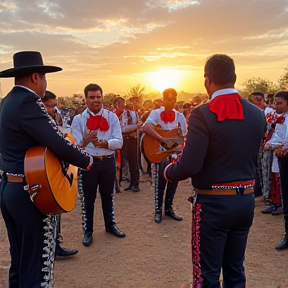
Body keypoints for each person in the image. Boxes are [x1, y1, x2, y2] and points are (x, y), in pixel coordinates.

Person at [164, 54, 266, 287]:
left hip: (213, 205)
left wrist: (169, 171)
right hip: (245, 200)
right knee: (235, 270)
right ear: (235, 78)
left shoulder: (202, 113)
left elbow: (190, 165)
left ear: (207, 80)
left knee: (207, 275)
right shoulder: (257, 114)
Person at [0, 51, 92, 288]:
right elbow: (56, 141)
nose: (45, 84)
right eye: (44, 79)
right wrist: (85, 159)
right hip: (31, 192)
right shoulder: (28, 102)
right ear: (34, 77)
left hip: (10, 187)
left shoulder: (6, 102)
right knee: (37, 266)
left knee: (20, 261)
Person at [71, 83, 125, 247]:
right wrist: (86, 140)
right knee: (88, 198)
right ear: (86, 99)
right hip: (88, 163)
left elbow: (119, 142)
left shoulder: (111, 117)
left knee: (108, 196)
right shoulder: (78, 120)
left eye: (98, 97)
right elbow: (74, 146)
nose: (96, 100)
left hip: (108, 161)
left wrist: (103, 143)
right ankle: (88, 230)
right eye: (92, 97)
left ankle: (110, 225)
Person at [142, 88, 187, 223]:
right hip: (158, 152)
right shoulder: (155, 113)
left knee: (173, 180)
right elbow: (146, 127)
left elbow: (183, 135)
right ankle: (158, 210)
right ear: (163, 99)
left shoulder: (180, 116)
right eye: (168, 99)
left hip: (174, 153)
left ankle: (168, 208)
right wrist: (162, 140)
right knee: (159, 182)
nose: (171, 102)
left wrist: (173, 143)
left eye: (173, 99)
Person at [42, 90, 78, 258]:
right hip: (41, 174)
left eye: (54, 106)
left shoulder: (54, 118)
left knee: (56, 211)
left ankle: (56, 245)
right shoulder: (36, 123)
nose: (53, 110)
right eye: (49, 106)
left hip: (54, 171)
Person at [264, 91, 288, 250]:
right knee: (286, 195)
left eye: (279, 103)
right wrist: (271, 145)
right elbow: (278, 138)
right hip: (283, 159)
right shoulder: (280, 119)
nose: (275, 106)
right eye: (274, 103)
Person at [113, 96, 140, 192]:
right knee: (119, 162)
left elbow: (137, 126)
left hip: (130, 141)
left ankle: (135, 184)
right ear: (116, 105)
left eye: (123, 103)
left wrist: (131, 129)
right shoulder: (112, 115)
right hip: (119, 141)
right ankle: (117, 184)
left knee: (133, 162)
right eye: (120, 103)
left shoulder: (130, 114)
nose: (123, 106)